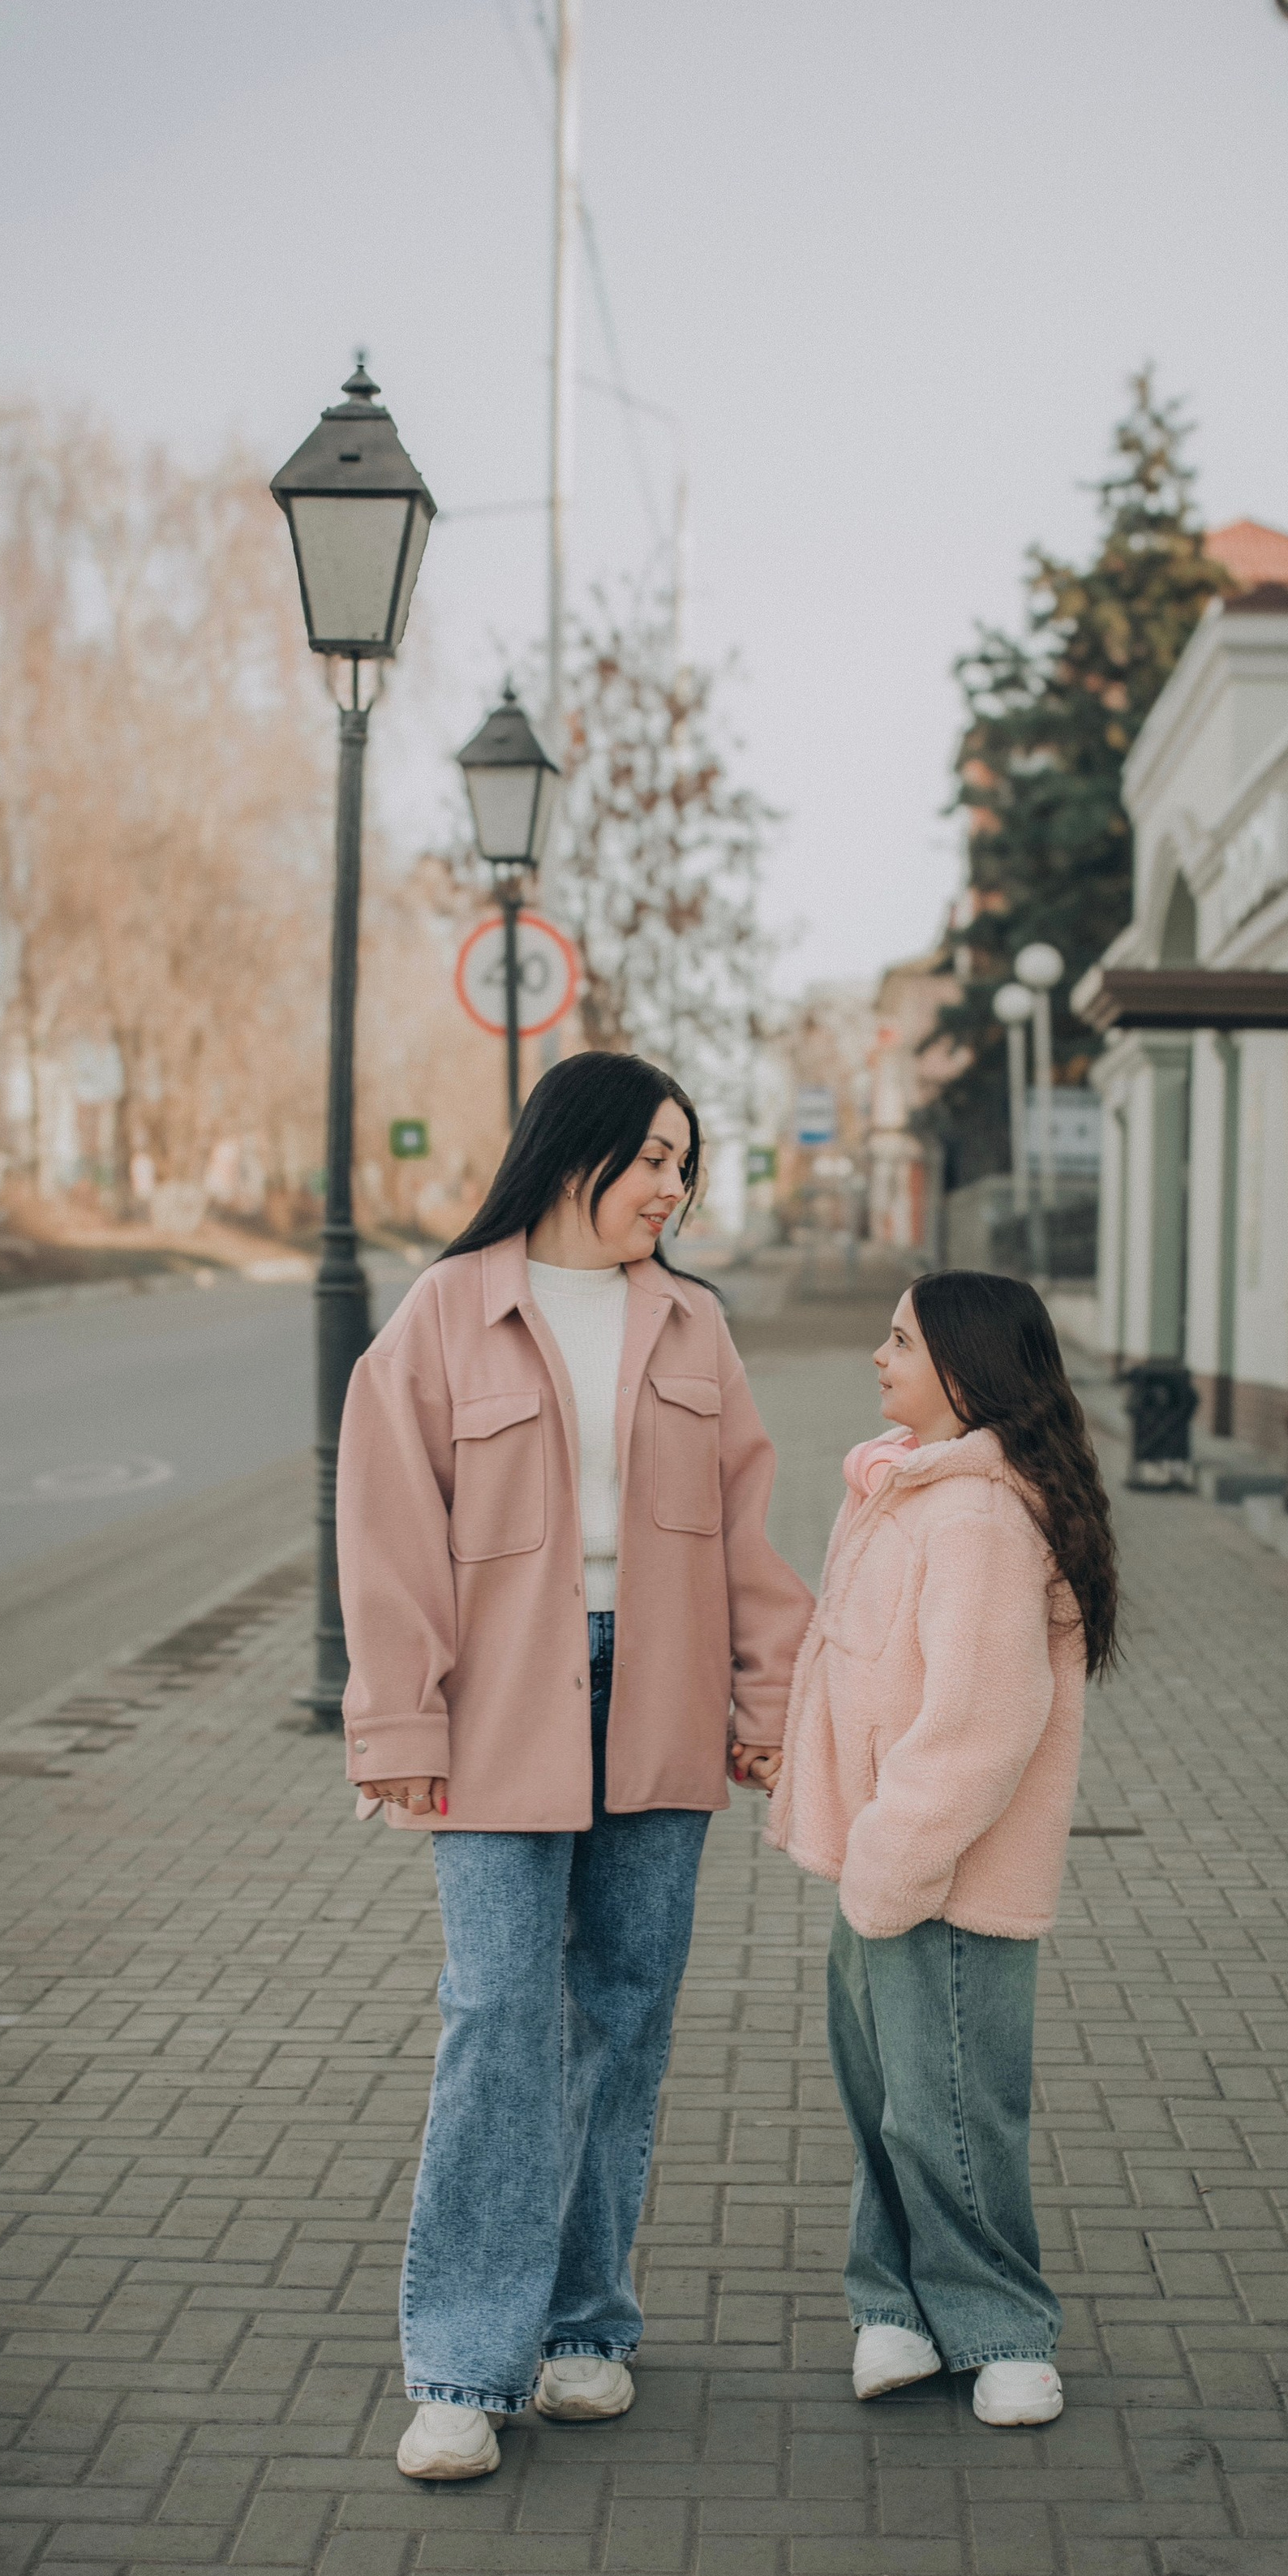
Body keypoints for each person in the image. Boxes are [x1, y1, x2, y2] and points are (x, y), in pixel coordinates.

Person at [336, 1052, 810, 2483]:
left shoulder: (691, 1327)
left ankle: (587, 2329)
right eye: (654, 1159)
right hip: (498, 1707)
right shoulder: (445, 1314)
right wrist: (401, 1726)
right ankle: (464, 2370)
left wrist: (768, 1699)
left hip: (656, 1698)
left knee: (623, 2009)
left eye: (687, 1165)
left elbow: (746, 1539)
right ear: (571, 1153)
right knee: (497, 2011)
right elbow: (387, 1535)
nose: (673, 1188)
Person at [768, 1271, 1118, 2428]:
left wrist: (890, 1862)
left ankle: (1004, 2328)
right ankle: (896, 2312)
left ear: (966, 1369)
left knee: (954, 2113)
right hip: (884, 1870)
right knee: (886, 2107)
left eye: (902, 1340)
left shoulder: (975, 1517)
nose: (879, 1356)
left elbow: (981, 1721)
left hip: (939, 1879)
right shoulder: (904, 1490)